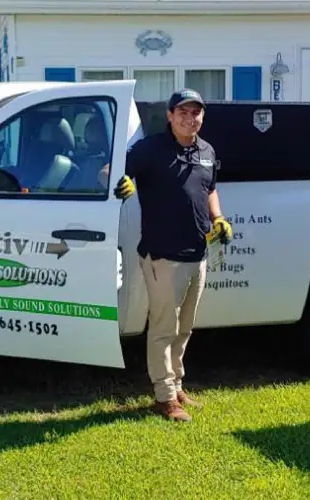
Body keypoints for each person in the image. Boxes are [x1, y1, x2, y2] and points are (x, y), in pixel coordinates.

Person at [108, 89, 232, 422]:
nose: (190, 118)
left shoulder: (207, 150)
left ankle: (177, 386)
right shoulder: (150, 149)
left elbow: (210, 188)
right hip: (163, 257)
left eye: (196, 113)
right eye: (183, 112)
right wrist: (124, 184)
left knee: (184, 328)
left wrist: (218, 218)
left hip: (199, 255)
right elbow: (111, 172)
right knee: (164, 328)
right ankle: (164, 397)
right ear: (169, 115)